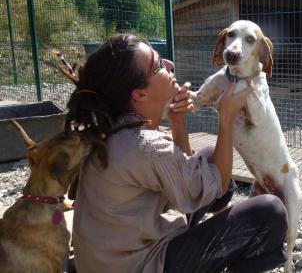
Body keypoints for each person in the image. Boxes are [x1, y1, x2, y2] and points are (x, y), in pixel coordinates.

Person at [65, 33, 288, 273]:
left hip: (112, 258)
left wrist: (177, 122)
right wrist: (226, 117)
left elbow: (182, 173)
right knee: (270, 211)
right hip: (139, 265)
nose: (170, 65)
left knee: (211, 156)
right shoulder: (145, 146)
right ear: (139, 95)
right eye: (158, 65)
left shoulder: (115, 128)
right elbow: (219, 184)